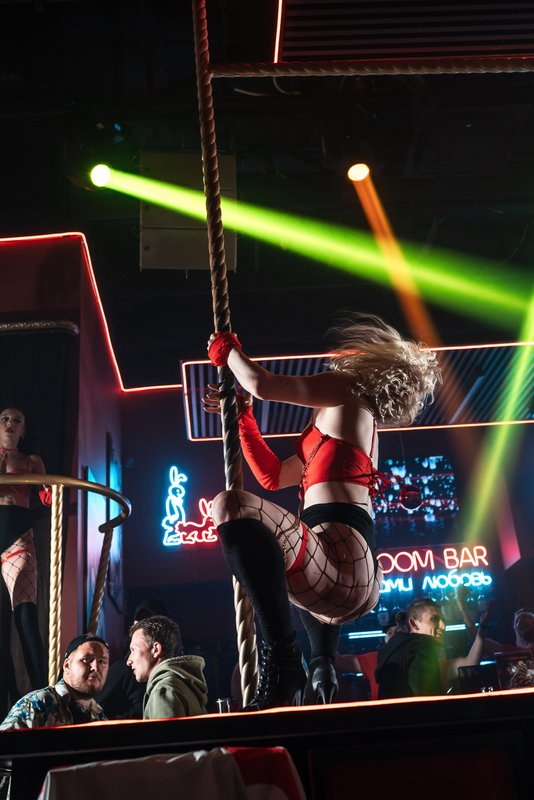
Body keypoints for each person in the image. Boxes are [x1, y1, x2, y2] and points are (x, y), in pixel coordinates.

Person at [204, 314, 441, 710]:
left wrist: (226, 350)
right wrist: (245, 420)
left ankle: (285, 659)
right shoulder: (331, 428)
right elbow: (273, 476)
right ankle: (316, 658)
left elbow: (260, 383)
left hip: (346, 557)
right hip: (337, 567)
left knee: (230, 506)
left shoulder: (350, 393)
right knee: (258, 527)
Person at [0, 406, 52, 690]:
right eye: (5, 419)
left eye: (16, 420)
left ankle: (41, 691)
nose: (10, 423)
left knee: (25, 619)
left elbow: (48, 498)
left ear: (23, 430)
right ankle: (10, 694)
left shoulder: (31, 461)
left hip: (17, 537)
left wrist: (48, 492)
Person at [375, 597, 488, 699]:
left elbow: (470, 662)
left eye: (443, 621)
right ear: (414, 624)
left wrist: (482, 629)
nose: (443, 626)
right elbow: (428, 702)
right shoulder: (420, 648)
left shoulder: (403, 650)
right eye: (434, 619)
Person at [0, 633, 109, 730]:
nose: (95, 667)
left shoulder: (100, 718)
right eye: (86, 660)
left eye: (101, 661)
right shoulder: (36, 705)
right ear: (67, 665)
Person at [97, 597, 169, 719]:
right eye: (141, 623)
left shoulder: (170, 683)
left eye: (152, 623)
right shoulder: (123, 669)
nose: (145, 627)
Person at [127, 615, 208, 719]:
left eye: (133, 650)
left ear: (156, 649)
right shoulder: (185, 685)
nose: (128, 661)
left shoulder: (164, 691)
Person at [335, 610, 409, 700]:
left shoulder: (418, 657)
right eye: (389, 632)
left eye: (399, 632)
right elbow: (338, 660)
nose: (392, 636)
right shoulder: (374, 659)